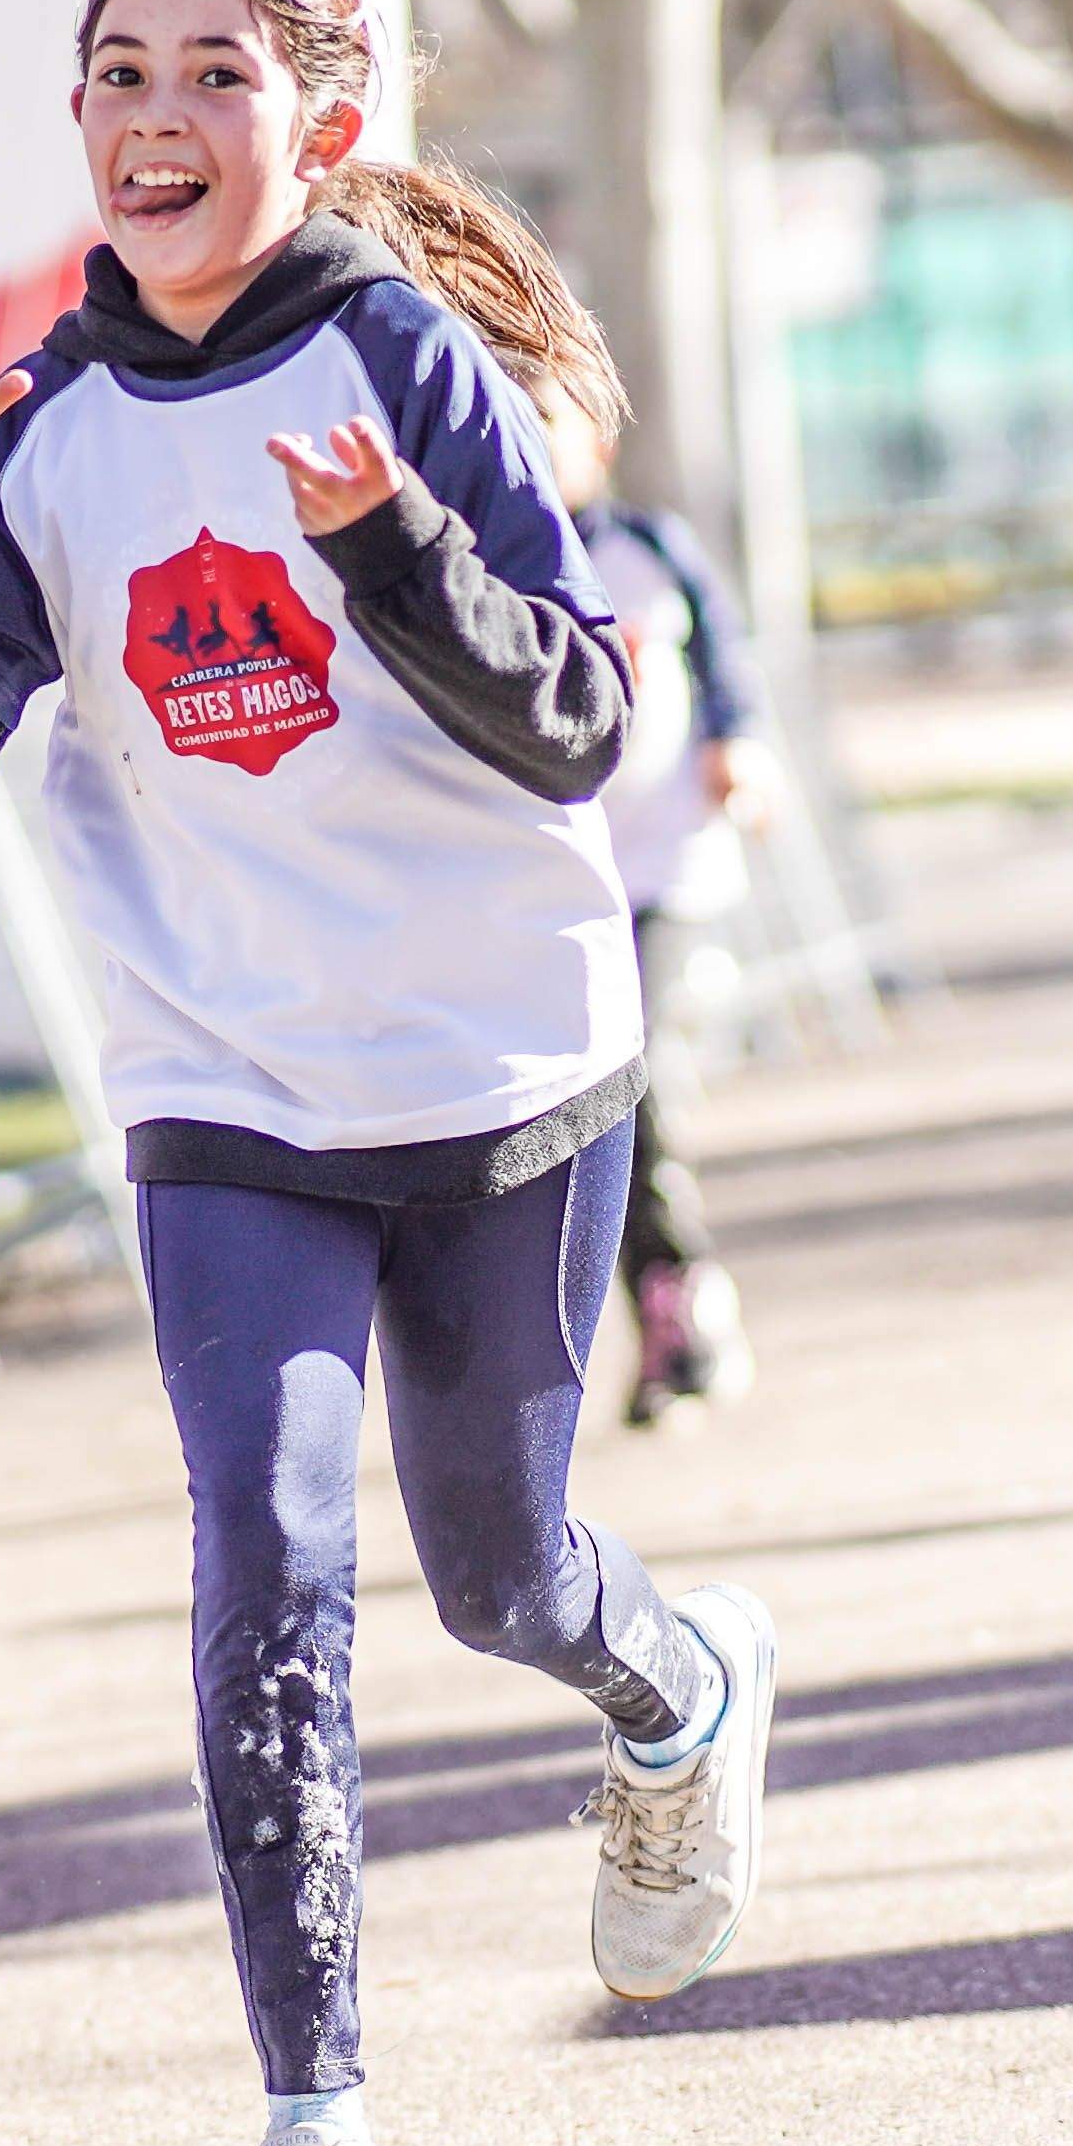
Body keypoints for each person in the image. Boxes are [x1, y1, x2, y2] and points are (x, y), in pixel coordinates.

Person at [0, 0, 782, 2146]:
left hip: (501, 1065)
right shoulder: (40, 436)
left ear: (313, 117)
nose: (151, 114)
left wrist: (378, 544)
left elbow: (569, 715)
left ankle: (678, 1690)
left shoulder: (410, 364)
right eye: (115, 70)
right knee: (267, 1562)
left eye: (209, 71)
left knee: (502, 1573)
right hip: (224, 1084)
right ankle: (315, 2145)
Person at [312, 161, 765, 1425]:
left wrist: (744, 749)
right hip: (544, 887)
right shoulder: (466, 559)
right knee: (587, 1114)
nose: (526, 439)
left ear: (596, 440)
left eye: (549, 417)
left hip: (662, 868)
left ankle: (680, 1300)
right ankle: (657, 1304)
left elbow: (728, 666)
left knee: (646, 1080)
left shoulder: (644, 551)